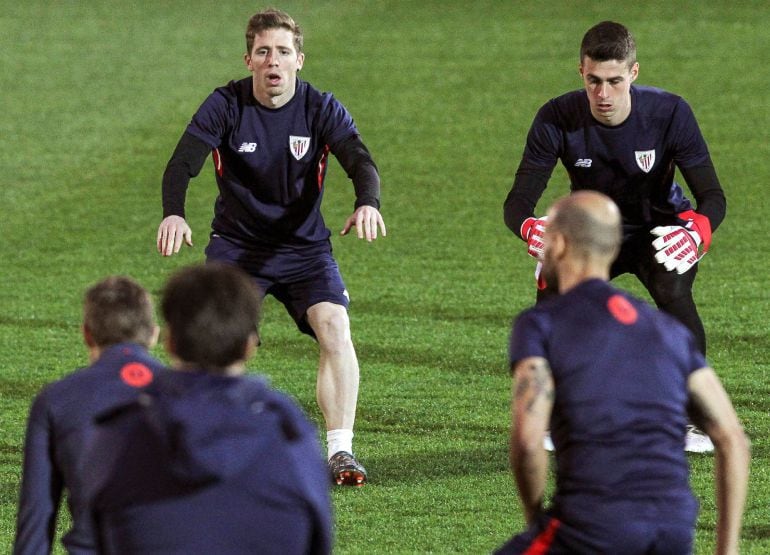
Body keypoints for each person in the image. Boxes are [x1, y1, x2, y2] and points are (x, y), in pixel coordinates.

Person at [155, 7, 384, 485]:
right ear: (249, 59)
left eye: (283, 52)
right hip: (237, 249)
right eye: (264, 52)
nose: (273, 61)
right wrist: (173, 212)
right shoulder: (225, 105)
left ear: (299, 59)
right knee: (225, 342)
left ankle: (341, 452)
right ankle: (211, 446)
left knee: (335, 326)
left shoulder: (321, 107)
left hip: (304, 249)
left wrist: (368, 202)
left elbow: (360, 160)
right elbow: (182, 164)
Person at [495, 191, 749, 554]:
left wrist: (536, 518)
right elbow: (733, 439)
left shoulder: (543, 324)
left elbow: (527, 441)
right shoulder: (670, 331)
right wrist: (727, 549)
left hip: (593, 525)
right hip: (674, 530)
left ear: (561, 244)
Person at [503, 20, 725, 357]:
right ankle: (561, 397)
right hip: (592, 231)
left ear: (634, 72)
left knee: (670, 284)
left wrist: (696, 233)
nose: (603, 94)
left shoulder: (670, 113)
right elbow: (518, 200)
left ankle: (690, 401)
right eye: (593, 81)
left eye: (614, 81)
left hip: (659, 229)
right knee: (554, 295)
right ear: (581, 72)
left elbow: (713, 196)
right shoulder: (556, 117)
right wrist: (529, 227)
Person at [84, 263, 333, 554]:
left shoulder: (118, 432)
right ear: (249, 345)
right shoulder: (289, 431)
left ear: (169, 341)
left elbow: (95, 535)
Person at [14, 276, 163, 554]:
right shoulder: (194, 394)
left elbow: (34, 527)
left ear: (86, 333)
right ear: (154, 334)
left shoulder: (56, 399)